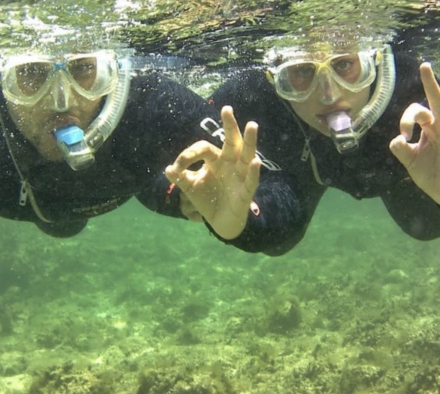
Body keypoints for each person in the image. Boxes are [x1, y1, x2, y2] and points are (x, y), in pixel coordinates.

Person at [165, 31, 440, 256]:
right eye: (302, 72)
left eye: (344, 65)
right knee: (277, 239)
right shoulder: (252, 94)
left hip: (401, 174)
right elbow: (163, 158)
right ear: (276, 79)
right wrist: (207, 206)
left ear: (373, 61)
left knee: (426, 226)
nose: (328, 94)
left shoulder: (417, 86)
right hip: (299, 173)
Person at [0, 43, 260, 239]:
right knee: (62, 228)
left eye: (82, 68)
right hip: (45, 210)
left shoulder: (147, 100)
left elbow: (267, 198)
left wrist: (242, 222)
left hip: (133, 180)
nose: (62, 101)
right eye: (30, 72)